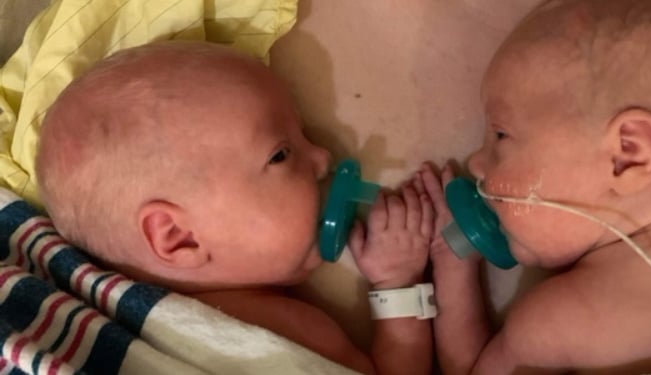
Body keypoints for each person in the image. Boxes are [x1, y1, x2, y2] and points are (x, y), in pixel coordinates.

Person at [420, 0, 651, 373]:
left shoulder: (558, 323)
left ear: (628, 155)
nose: (477, 163)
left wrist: (452, 263)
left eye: (501, 135)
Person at [35, 41, 434, 375]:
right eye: (280, 155)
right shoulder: (285, 331)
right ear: (179, 238)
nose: (323, 158)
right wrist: (397, 281)